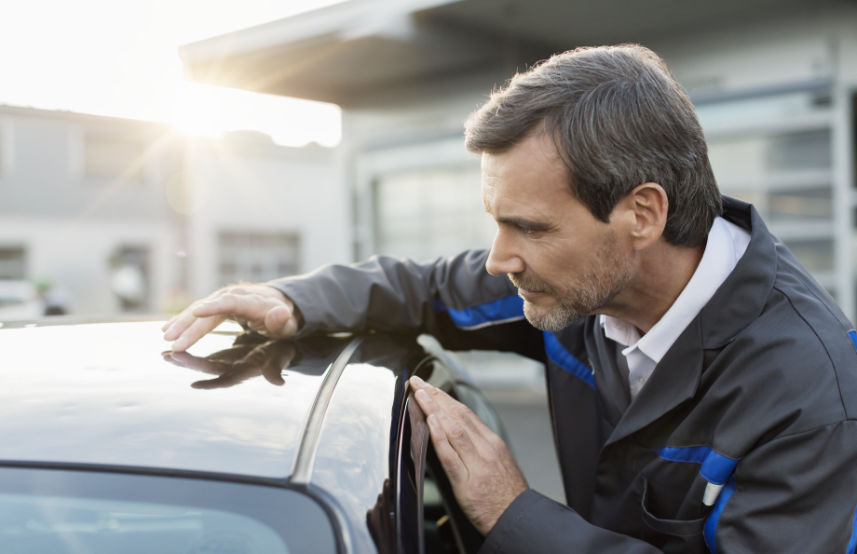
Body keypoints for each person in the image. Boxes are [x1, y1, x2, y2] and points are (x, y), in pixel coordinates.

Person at [163, 44, 857, 552]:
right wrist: (295, 300)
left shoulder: (809, 394)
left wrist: (511, 513)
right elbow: (427, 288)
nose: (499, 259)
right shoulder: (583, 285)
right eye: (495, 221)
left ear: (641, 215)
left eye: (527, 227)